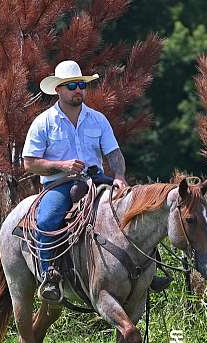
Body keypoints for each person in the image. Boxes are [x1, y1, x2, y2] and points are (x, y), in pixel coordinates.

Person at [22, 60, 128, 303]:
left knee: (131, 210)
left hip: (97, 179)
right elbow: (30, 163)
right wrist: (62, 166)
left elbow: (114, 154)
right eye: (71, 86)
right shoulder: (43, 122)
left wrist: (120, 176)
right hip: (59, 184)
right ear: (58, 90)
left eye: (81, 85)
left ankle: (148, 270)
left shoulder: (98, 120)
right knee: (47, 220)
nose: (78, 90)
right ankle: (49, 275)